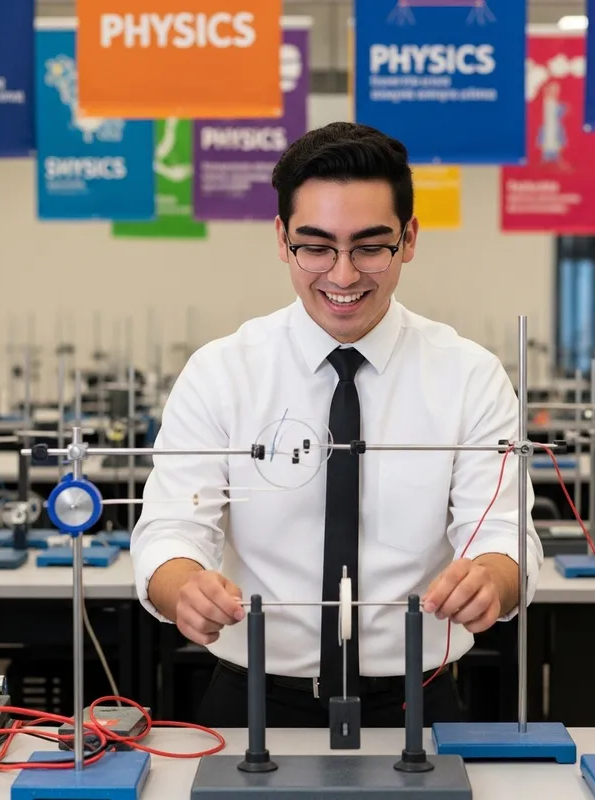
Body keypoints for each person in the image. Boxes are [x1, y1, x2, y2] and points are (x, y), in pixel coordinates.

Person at [130, 121, 543, 729]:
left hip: (417, 704)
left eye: (370, 247)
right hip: (249, 703)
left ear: (408, 239)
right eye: (316, 246)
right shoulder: (221, 372)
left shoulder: (469, 376)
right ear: (281, 237)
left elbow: (507, 538)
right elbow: (168, 531)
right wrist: (183, 587)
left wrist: (491, 581)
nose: (343, 275)